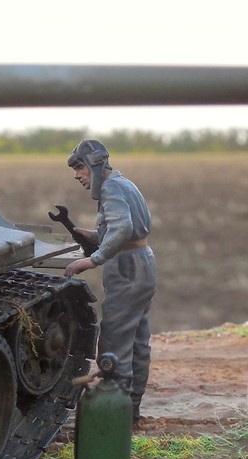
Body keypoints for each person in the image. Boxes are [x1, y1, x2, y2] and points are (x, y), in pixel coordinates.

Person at [62, 140, 156, 423]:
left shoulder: (110, 188)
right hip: (143, 262)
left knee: (114, 343)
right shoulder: (125, 184)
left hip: (126, 268)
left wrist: (94, 259)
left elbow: (123, 227)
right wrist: (92, 235)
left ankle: (116, 415)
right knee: (138, 341)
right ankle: (132, 408)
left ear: (93, 165)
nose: (77, 175)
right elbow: (126, 228)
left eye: (79, 168)